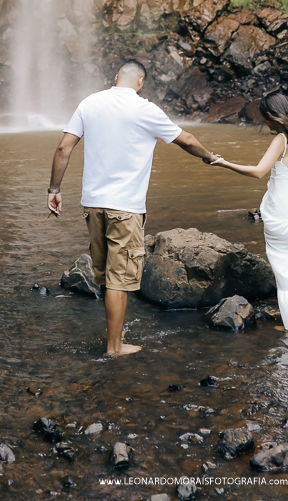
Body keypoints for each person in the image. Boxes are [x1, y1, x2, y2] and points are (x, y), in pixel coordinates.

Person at [47, 59, 218, 356]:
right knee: (120, 279)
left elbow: (63, 147)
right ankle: (115, 346)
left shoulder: (89, 103)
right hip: (125, 208)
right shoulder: (145, 109)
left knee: (103, 275)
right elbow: (186, 140)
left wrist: (54, 190)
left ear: (116, 78)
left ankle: (114, 332)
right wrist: (208, 157)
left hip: (93, 205)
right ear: (140, 81)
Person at [211, 92, 288, 331]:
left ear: (271, 115)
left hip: (282, 212)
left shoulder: (280, 139)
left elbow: (258, 171)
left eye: (264, 117)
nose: (264, 122)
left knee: (284, 266)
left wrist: (224, 163)